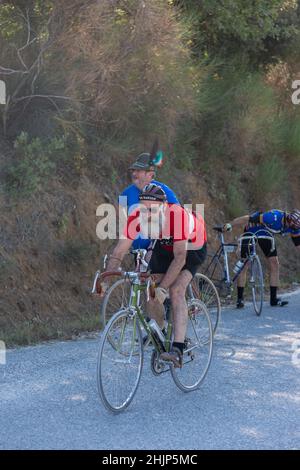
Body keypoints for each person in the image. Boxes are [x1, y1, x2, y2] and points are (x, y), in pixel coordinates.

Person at [106, 183, 207, 368]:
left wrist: (163, 288)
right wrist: (108, 274)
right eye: (143, 209)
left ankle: (178, 348)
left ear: (164, 206)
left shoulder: (177, 215)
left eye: (152, 210)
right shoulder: (138, 216)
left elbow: (179, 259)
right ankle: (159, 335)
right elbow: (119, 250)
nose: (147, 214)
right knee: (150, 290)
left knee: (175, 290)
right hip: (165, 245)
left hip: (192, 246)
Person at [223, 209, 300, 308]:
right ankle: (240, 299)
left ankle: (273, 299)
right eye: (294, 226)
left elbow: (298, 244)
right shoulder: (273, 217)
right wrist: (230, 224)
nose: (294, 228)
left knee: (275, 263)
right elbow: (247, 218)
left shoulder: (295, 227)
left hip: (265, 233)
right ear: (289, 220)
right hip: (251, 229)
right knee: (245, 264)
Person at [118, 152, 180, 251]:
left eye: (139, 171)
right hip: (137, 252)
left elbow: (177, 219)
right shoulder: (124, 194)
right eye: (134, 170)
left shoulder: (165, 191)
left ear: (150, 174)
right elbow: (122, 221)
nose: (134, 174)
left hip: (159, 252)